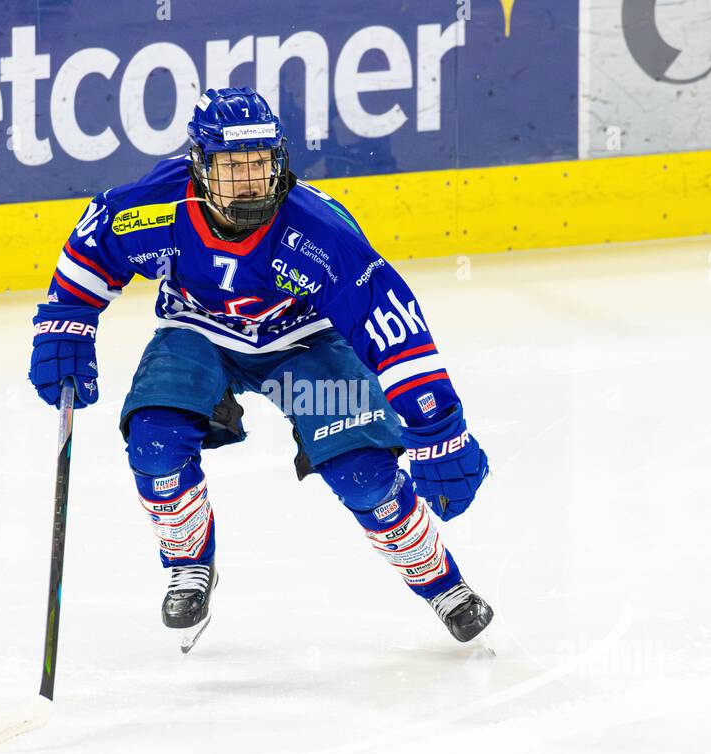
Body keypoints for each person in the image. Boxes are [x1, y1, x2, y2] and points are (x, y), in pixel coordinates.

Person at [28, 87, 492, 652]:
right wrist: (66, 323)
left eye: (258, 163)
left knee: (366, 477)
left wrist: (438, 428)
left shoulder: (319, 233)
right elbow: (93, 250)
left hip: (304, 347)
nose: (248, 180)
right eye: (231, 166)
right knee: (154, 447)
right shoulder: (154, 208)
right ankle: (190, 565)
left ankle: (443, 585)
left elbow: (393, 331)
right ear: (199, 166)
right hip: (197, 338)